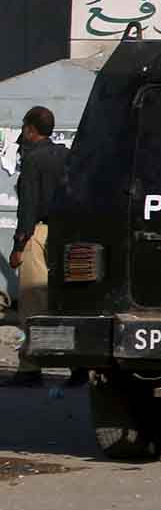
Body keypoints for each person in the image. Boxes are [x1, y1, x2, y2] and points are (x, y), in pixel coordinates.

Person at [5, 106, 73, 386]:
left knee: (34, 305)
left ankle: (30, 369)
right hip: (65, 236)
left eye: (24, 128)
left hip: (38, 234)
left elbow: (29, 206)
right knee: (61, 304)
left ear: (31, 130)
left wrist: (19, 245)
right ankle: (74, 365)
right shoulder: (67, 155)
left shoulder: (33, 159)